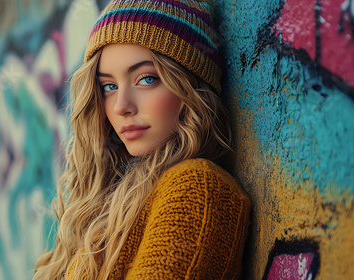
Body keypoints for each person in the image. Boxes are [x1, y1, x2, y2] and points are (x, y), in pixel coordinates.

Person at [33, 0, 251, 279]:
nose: (121, 105)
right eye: (109, 86)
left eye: (146, 79)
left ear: (189, 84)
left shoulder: (196, 188)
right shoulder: (114, 201)